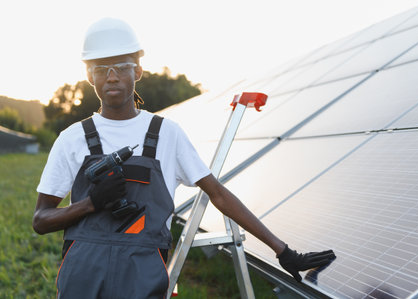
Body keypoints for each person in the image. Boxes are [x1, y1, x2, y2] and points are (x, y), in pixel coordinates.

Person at [32, 17, 335, 298]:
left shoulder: (166, 134)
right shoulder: (71, 138)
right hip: (83, 277)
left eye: (122, 67)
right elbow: (41, 220)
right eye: (101, 69)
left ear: (137, 71)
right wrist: (91, 204)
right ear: (89, 76)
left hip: (143, 277)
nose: (112, 78)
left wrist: (283, 251)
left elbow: (218, 194)